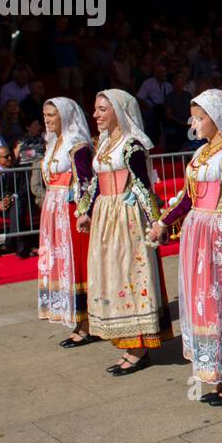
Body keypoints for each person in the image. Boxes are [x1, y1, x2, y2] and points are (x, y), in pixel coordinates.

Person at [151, 90, 222, 405]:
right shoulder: (199, 155)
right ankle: (218, 368)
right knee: (204, 302)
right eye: (194, 117)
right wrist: (163, 222)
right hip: (197, 237)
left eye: (201, 117)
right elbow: (187, 198)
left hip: (220, 238)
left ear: (218, 118)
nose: (194, 122)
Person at [75, 89, 171, 375]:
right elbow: (94, 184)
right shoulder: (104, 145)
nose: (96, 115)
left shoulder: (131, 146)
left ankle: (138, 347)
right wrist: (86, 211)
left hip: (125, 217)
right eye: (95, 109)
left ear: (119, 111)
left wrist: (156, 221)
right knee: (110, 274)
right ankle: (125, 339)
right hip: (106, 214)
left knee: (129, 273)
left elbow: (142, 186)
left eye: (103, 109)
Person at [40, 97, 95, 346]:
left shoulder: (77, 144)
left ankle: (86, 322)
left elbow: (85, 183)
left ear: (65, 116)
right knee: (60, 263)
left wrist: (84, 212)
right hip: (53, 208)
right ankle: (77, 318)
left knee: (76, 264)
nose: (47, 119)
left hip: (70, 209)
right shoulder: (52, 142)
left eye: (52, 114)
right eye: (45, 114)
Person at [0, 144, 34, 258]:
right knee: (18, 210)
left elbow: (24, 189)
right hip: (1, 208)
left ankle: (11, 242)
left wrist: (13, 197)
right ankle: (19, 246)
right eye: (6, 157)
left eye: (10, 155)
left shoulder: (17, 170)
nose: (10, 159)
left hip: (16, 203)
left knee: (18, 204)